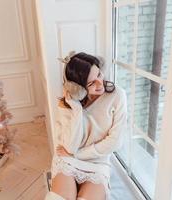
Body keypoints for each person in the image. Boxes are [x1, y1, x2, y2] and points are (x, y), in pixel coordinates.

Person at [45, 52, 127, 200]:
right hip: (67, 159)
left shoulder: (118, 96)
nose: (100, 83)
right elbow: (70, 147)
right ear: (77, 87)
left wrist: (78, 154)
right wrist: (76, 110)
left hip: (97, 162)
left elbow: (115, 142)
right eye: (91, 83)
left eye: (99, 75)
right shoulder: (66, 105)